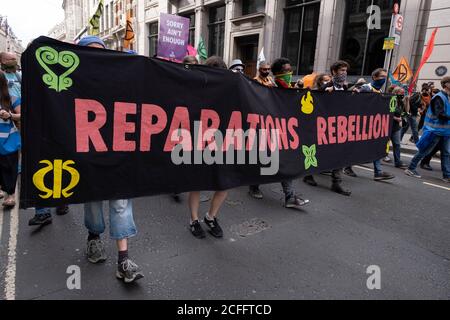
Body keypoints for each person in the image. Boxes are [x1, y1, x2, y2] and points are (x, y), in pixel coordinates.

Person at [78, 36, 143, 283]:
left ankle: (123, 260)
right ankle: (94, 238)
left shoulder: (118, 81)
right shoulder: (75, 82)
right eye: (91, 52)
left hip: (118, 152)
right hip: (88, 153)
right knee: (93, 201)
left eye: (101, 52)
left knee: (120, 203)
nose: (97, 57)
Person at [248, 57, 310, 207]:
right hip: (264, 126)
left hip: (283, 129)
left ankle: (290, 196)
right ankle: (253, 185)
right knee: (263, 159)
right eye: (286, 71)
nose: (289, 73)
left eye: (290, 70)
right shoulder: (259, 84)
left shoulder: (283, 85)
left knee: (284, 160)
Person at [188, 56, 229, 239]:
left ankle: (210, 217)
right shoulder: (196, 88)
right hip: (199, 139)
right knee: (197, 182)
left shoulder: (231, 88)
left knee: (225, 182)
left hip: (222, 140)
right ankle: (194, 220)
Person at [303, 61, 351, 195]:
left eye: (345, 71)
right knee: (318, 151)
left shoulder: (345, 88)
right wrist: (324, 92)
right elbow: (314, 100)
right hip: (323, 126)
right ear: (334, 72)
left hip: (339, 126)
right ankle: (308, 174)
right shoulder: (326, 87)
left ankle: (336, 182)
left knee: (339, 154)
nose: (344, 73)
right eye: (341, 70)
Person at [405, 76, 450, 183]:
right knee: (425, 150)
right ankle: (410, 168)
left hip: (445, 132)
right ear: (446, 84)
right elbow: (440, 114)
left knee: (446, 153)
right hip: (435, 130)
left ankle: (447, 175)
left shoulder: (447, 97)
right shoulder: (439, 97)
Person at [356, 68, 396, 181]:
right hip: (362, 125)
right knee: (356, 147)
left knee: (376, 146)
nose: (384, 79)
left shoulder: (379, 92)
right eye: (382, 76)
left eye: (385, 77)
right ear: (374, 77)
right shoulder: (365, 89)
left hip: (373, 126)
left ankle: (378, 172)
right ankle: (347, 167)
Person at [0, 70, 21, 208]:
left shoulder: (11, 98)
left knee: (9, 167)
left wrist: (9, 115)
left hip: (8, 139)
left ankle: (10, 194)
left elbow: (22, 115)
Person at [389, 86, 408, 169]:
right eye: (401, 93)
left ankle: (398, 162)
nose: (403, 94)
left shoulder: (400, 102)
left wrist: (407, 101)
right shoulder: (392, 100)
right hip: (388, 125)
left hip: (396, 127)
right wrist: (395, 118)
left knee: (397, 144)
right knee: (382, 144)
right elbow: (388, 112)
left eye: (404, 93)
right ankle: (375, 158)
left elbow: (405, 112)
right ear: (396, 93)